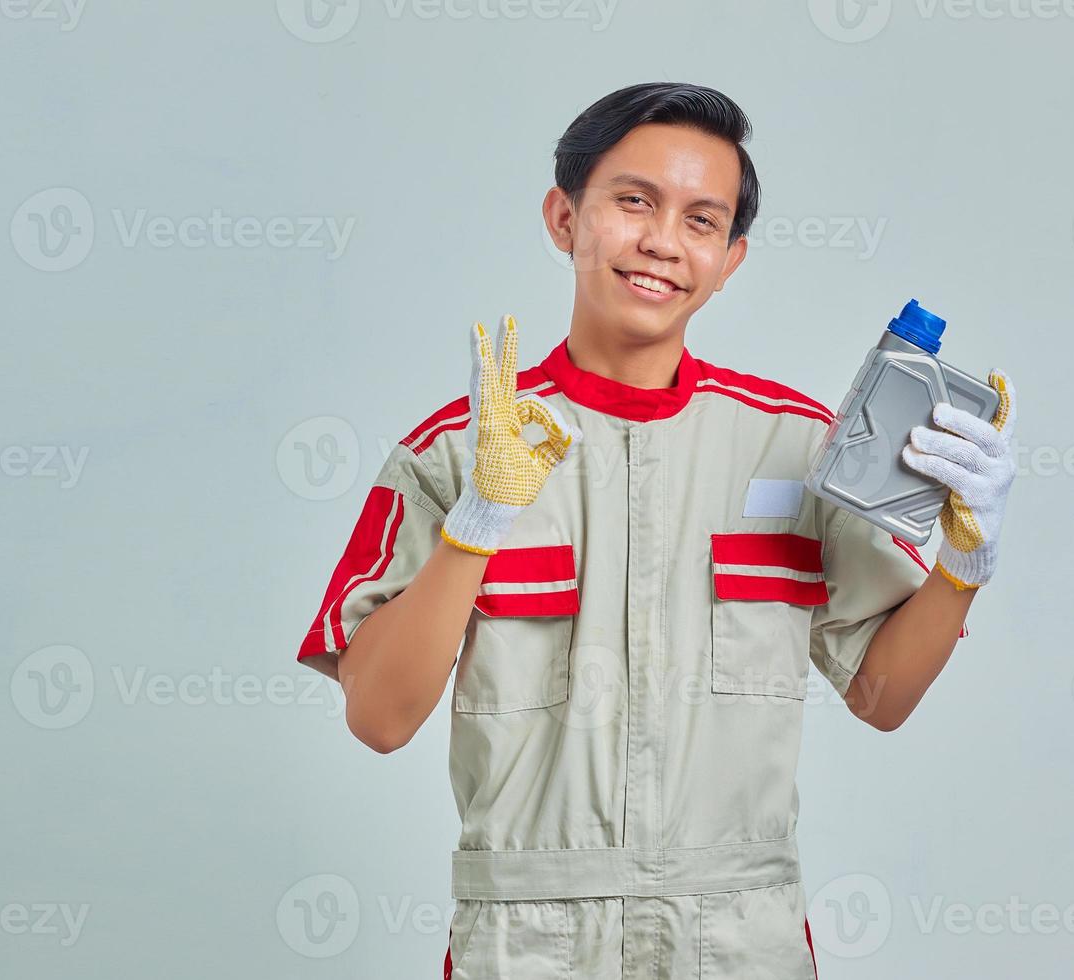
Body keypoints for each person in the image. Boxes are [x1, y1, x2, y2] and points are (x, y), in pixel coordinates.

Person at [295, 81, 1018, 979]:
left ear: (731, 258)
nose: (662, 243)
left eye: (701, 220)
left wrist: (965, 558)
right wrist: (474, 529)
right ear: (565, 217)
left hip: (738, 935)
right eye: (633, 201)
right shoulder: (454, 451)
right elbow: (378, 718)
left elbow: (882, 698)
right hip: (529, 937)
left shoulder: (795, 447)